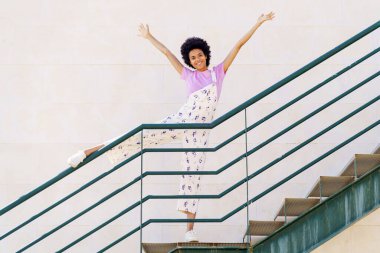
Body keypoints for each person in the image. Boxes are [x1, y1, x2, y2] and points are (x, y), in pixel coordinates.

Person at [67, 12, 275, 242]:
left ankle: (189, 231)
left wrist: (258, 23)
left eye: (199, 55)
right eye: (193, 58)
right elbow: (167, 52)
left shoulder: (218, 73)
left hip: (200, 132)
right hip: (181, 120)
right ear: (189, 61)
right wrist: (149, 37)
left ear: (206, 55)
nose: (197, 59)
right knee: (142, 134)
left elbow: (238, 45)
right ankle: (86, 152)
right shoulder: (188, 75)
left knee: (192, 175)